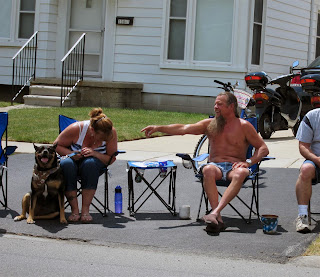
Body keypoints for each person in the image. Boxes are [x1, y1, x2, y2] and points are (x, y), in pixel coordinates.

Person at [141, 91, 269, 232]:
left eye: (219, 104)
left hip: (235, 167)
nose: (215, 107)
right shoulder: (210, 124)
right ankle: (217, 217)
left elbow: (263, 148)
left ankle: (214, 213)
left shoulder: (244, 126)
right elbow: (184, 128)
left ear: (231, 106)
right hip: (216, 166)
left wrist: (249, 161)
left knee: (241, 173)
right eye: (215, 104)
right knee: (207, 169)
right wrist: (159, 128)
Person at [54, 108, 118, 223]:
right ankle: (74, 210)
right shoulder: (76, 129)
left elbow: (111, 159)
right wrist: (72, 154)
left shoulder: (110, 132)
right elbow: (56, 145)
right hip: (72, 161)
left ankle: (85, 211)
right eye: (101, 138)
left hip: (94, 165)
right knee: (66, 164)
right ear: (92, 130)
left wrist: (94, 153)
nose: (103, 140)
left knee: (90, 164)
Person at [294, 108, 320, 233]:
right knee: (305, 169)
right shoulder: (312, 116)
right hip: (316, 160)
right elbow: (303, 146)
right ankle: (303, 216)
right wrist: (317, 159)